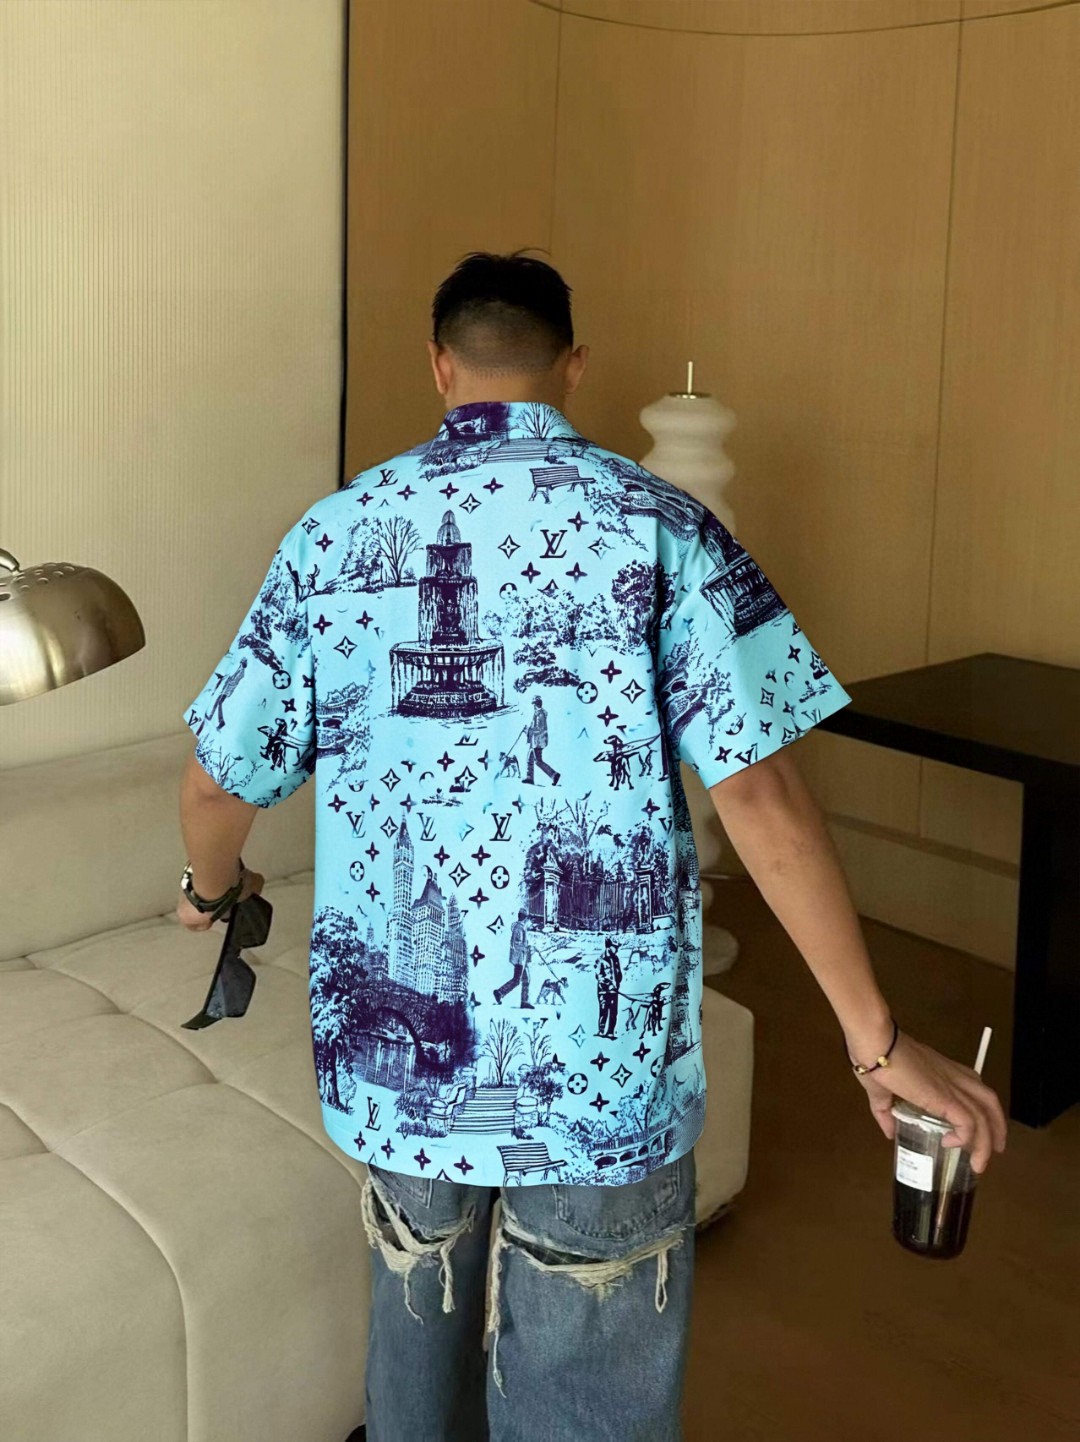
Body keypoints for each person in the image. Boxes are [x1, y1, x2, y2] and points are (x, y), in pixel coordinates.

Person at [176, 251, 1007, 1442]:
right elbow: (761, 792)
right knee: (584, 1385)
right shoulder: (664, 524)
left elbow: (217, 779)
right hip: (599, 1076)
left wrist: (212, 891)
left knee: (415, 1320)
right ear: (573, 366)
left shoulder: (334, 535)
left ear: (438, 366)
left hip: (401, 1079)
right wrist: (875, 1041)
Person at [524, 694, 559, 786]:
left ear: (537, 704)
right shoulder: (537, 713)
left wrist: (528, 730)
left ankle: (554, 775)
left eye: (534, 704)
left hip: (538, 741)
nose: (533, 706)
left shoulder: (540, 714)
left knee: (538, 761)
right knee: (530, 758)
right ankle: (529, 778)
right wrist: (528, 730)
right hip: (535, 741)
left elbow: (539, 728)